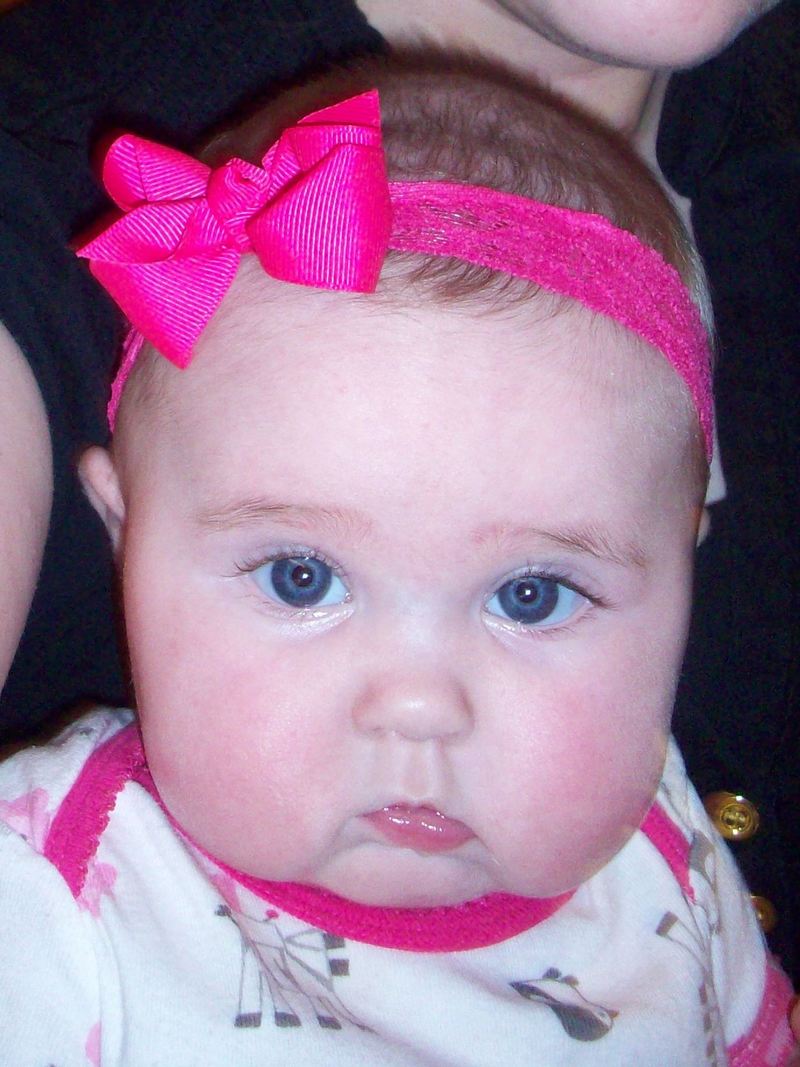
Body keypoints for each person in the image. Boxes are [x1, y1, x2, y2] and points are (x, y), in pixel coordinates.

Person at [0, 54, 794, 1064]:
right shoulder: (52, 897)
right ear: (126, 536)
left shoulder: (669, 864)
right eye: (301, 577)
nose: (417, 704)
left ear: (681, 573)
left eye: (531, 594)